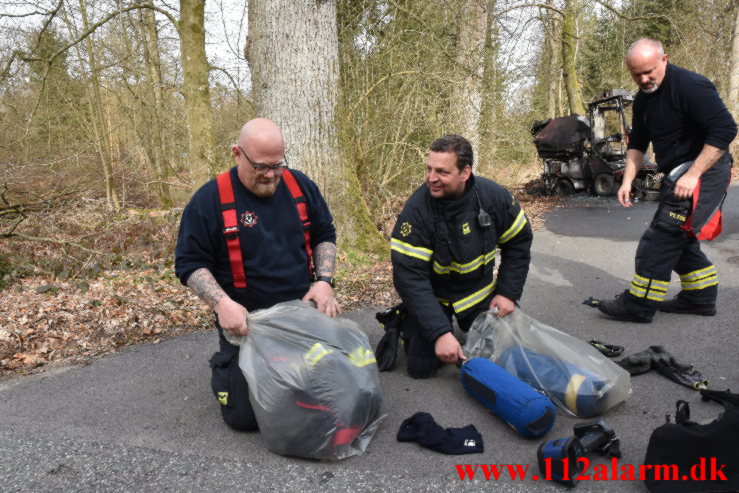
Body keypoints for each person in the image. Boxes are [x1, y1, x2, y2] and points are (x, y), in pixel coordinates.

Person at [175, 118, 339, 430]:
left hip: (300, 316)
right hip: (248, 326)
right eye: (261, 167)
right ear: (237, 154)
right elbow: (189, 262)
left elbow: (324, 234)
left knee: (334, 396)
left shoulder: (300, 186)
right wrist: (222, 304)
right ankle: (225, 371)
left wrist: (324, 282)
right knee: (247, 418)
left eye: (277, 165)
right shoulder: (209, 201)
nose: (271, 175)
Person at [597, 38, 736, 323]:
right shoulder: (644, 98)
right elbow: (637, 143)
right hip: (677, 173)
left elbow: (725, 129)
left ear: (665, 59)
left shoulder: (691, 86)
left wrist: (694, 174)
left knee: (661, 237)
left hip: (704, 172)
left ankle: (638, 305)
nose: (644, 79)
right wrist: (627, 181)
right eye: (637, 74)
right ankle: (700, 296)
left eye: (649, 71)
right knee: (677, 234)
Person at [390, 134, 533, 379]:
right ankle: (418, 323)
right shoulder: (416, 211)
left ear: (465, 173)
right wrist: (439, 333)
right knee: (420, 367)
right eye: (429, 169)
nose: (431, 178)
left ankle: (469, 329)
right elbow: (409, 278)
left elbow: (519, 242)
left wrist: (508, 293)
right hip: (435, 299)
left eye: (442, 172)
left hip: (479, 294)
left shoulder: (493, 197)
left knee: (509, 353)